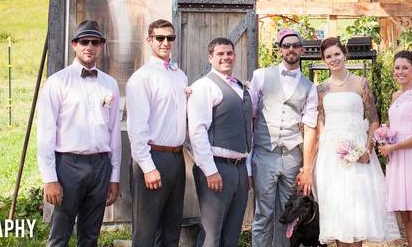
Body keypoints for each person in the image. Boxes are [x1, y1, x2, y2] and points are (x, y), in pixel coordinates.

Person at [37, 19, 121, 247]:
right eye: (84, 41)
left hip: (100, 165)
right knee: (60, 232)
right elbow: (45, 133)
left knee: (90, 234)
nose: (89, 47)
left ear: (101, 46)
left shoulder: (110, 84)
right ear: (74, 44)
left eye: (95, 42)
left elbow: (114, 133)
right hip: (68, 165)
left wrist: (114, 177)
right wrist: (50, 178)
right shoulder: (58, 82)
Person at [312, 37, 400, 247]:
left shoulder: (361, 83)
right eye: (328, 56)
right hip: (331, 156)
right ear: (324, 61)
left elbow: (373, 120)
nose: (334, 59)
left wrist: (367, 151)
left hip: (358, 153)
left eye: (337, 54)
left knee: (357, 211)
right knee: (338, 213)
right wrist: (317, 157)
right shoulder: (321, 89)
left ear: (345, 54)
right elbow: (321, 123)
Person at [249, 28, 318, 247]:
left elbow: (310, 128)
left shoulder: (310, 86)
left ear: (302, 50)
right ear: (280, 50)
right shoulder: (261, 75)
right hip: (264, 154)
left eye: (295, 46)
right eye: (286, 45)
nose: (291, 49)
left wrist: (306, 169)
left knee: (288, 215)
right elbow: (250, 115)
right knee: (263, 214)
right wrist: (249, 157)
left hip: (291, 157)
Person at [126, 19, 189, 247]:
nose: (165, 43)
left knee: (172, 228)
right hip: (153, 158)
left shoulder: (180, 75)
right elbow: (137, 127)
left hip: (176, 157)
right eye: (160, 38)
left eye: (170, 38)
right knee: (146, 231)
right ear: (149, 40)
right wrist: (148, 167)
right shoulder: (142, 78)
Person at [187, 37, 253, 247]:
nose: (226, 57)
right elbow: (197, 131)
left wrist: (248, 171)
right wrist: (210, 170)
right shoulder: (204, 86)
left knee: (232, 233)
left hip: (240, 169)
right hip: (217, 167)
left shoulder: (241, 87)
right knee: (211, 235)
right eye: (220, 54)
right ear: (210, 57)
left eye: (229, 53)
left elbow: (247, 131)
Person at [377, 50, 412, 247]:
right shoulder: (395, 95)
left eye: (405, 68)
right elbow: (393, 127)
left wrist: (393, 147)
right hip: (397, 158)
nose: (400, 72)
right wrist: (384, 136)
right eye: (397, 67)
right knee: (405, 216)